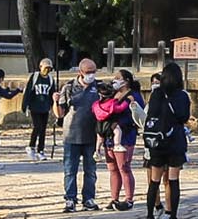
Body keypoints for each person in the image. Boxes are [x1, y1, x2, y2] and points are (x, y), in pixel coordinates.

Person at [142, 62, 190, 219]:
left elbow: (151, 113)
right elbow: (184, 117)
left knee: (154, 180)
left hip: (157, 140)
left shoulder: (156, 94)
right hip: (175, 139)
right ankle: (173, 215)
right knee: (173, 179)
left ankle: (150, 214)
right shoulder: (182, 95)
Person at [93, 75, 142, 211]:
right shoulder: (112, 94)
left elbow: (138, 116)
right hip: (108, 134)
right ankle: (114, 198)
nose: (115, 81)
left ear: (126, 80)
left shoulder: (134, 96)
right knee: (112, 169)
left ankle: (129, 199)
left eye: (118, 78)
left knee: (124, 168)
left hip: (125, 136)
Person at [61, 59, 102, 213]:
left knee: (90, 170)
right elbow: (60, 113)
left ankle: (89, 198)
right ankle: (70, 199)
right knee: (70, 170)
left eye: (94, 71)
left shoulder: (99, 87)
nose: (91, 75)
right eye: (88, 72)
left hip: (92, 135)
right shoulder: (69, 87)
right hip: (71, 135)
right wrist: (55, 101)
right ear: (80, 72)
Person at [25, 59, 61, 163]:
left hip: (45, 107)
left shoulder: (50, 79)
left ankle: (40, 150)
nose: (47, 70)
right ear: (40, 67)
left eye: (49, 68)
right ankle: (31, 146)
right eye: (46, 68)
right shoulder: (35, 77)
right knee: (37, 126)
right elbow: (28, 91)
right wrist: (25, 105)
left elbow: (52, 93)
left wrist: (54, 104)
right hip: (35, 106)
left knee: (43, 129)